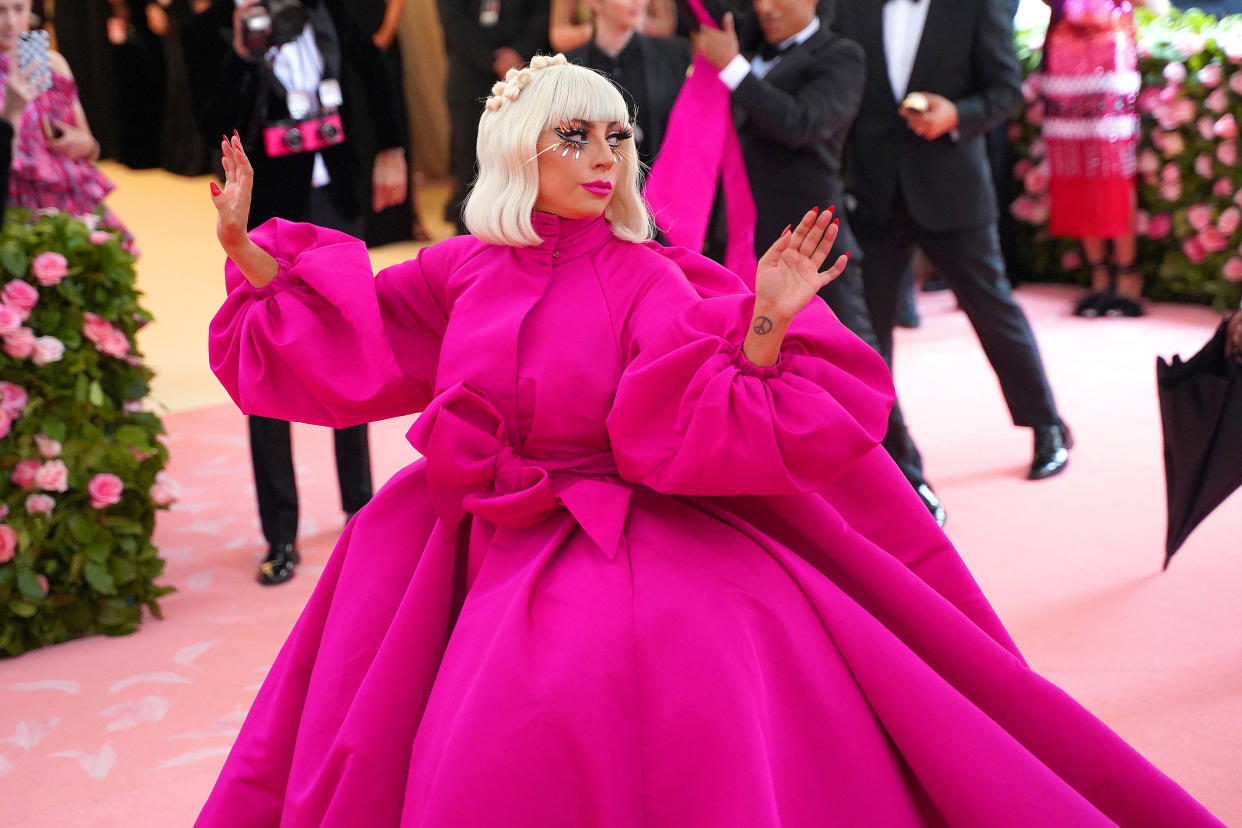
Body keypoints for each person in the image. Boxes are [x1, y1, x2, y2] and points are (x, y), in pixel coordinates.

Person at [195, 56, 1223, 826]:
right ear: (519, 152)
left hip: (625, 519)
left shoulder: (649, 272)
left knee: (624, 686)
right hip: (461, 534)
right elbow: (358, 344)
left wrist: (769, 317)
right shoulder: (459, 266)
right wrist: (248, 252)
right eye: (578, 139)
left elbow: (692, 405)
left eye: (618, 139)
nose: (606, 160)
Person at [183, 0, 409, 585]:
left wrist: (392, 149)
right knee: (265, 360)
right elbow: (212, 123)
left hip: (334, 202)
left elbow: (375, 70)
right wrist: (242, 56)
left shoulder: (325, 10)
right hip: (265, 220)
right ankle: (279, 533)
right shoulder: (210, 29)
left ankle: (359, 504)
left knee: (350, 345)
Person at [835, 0, 1073, 501]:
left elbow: (1006, 89)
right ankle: (890, 456)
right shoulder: (850, 6)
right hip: (874, 190)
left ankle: (1046, 423)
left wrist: (956, 115)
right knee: (868, 330)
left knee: (992, 308)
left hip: (952, 186)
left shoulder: (974, 5)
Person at [1041, 0, 1169, 317]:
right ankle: (1099, 274)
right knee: (1075, 166)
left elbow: (1158, 6)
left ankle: (1128, 274)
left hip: (1110, 54)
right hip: (1064, 55)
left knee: (1113, 165)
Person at [0, 0, 134, 243]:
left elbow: (90, 147)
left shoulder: (51, 63)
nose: (9, 22)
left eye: (18, 9)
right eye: (0, 11)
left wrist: (81, 144)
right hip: (10, 207)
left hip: (64, 202)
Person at [438, 0, 550, 234]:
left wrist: (518, 54)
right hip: (469, 79)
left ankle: (521, 233)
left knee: (524, 161)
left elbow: (541, 15)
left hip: (526, 75)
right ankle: (467, 240)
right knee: (469, 165)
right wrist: (491, 59)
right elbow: (453, 21)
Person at [566, 0, 690, 167]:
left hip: (663, 185)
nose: (638, 1)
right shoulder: (568, 68)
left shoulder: (675, 56)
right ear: (594, 2)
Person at [550, 0, 675, 53]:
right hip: (589, 56)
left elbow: (666, 27)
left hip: (640, 52)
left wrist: (636, 22)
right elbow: (558, 35)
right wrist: (601, 30)